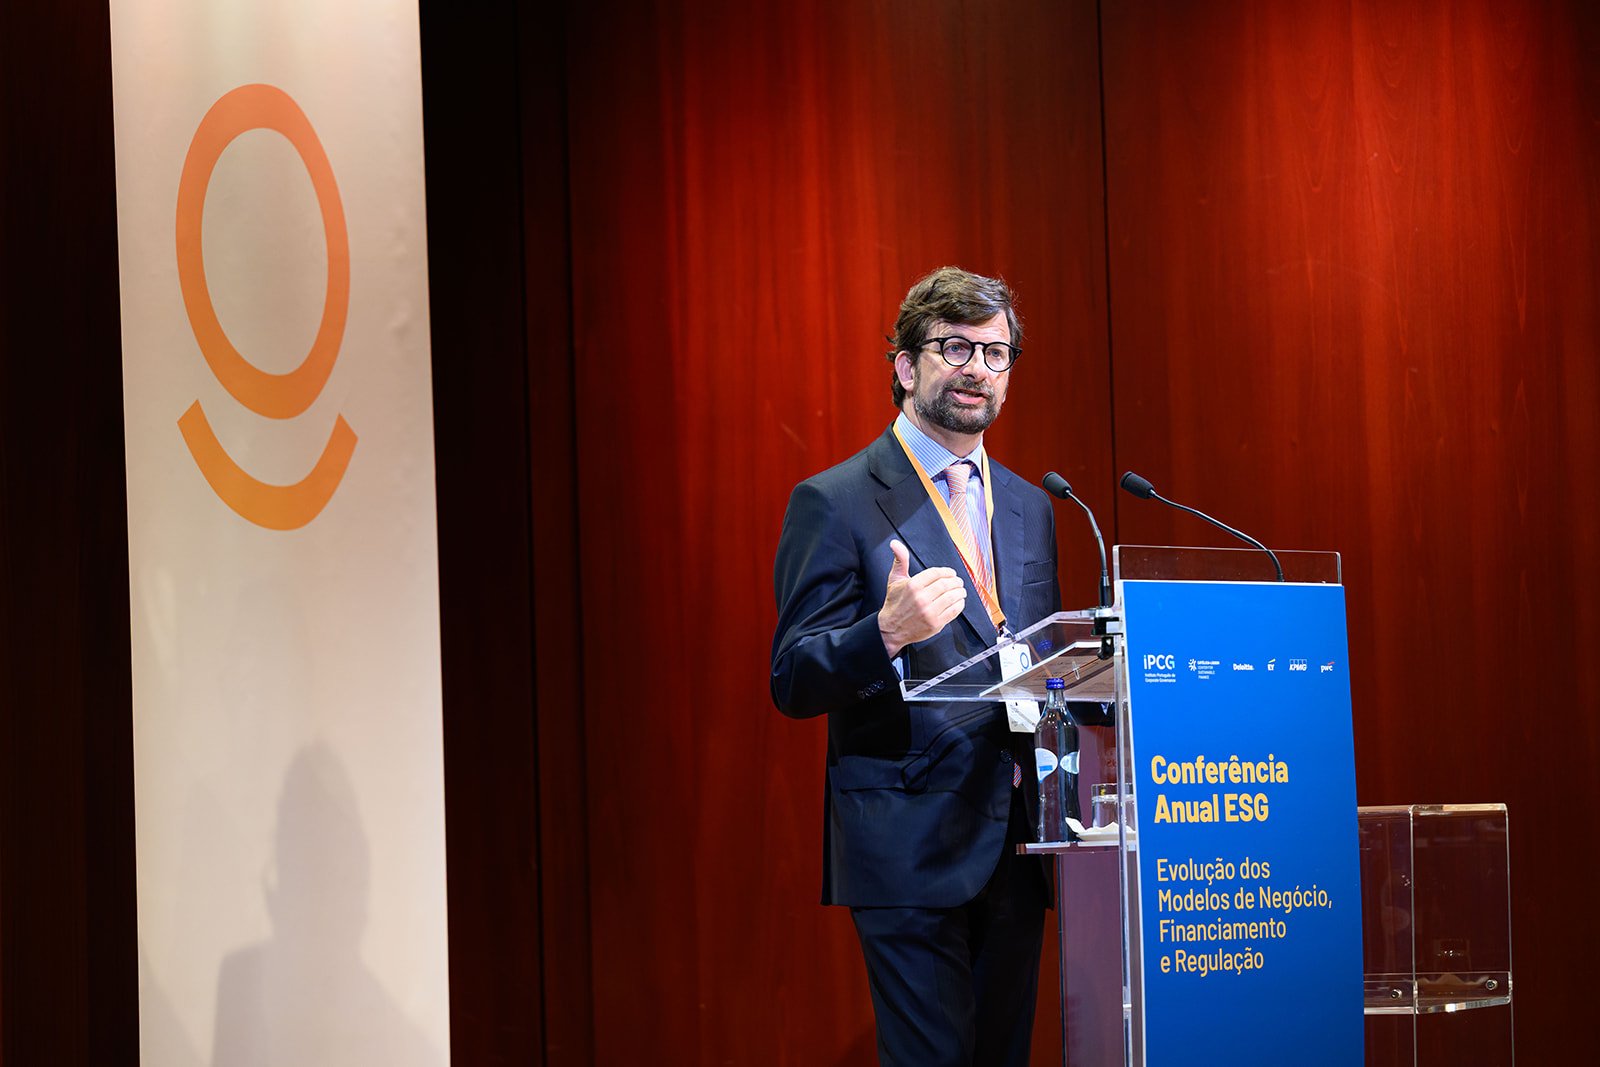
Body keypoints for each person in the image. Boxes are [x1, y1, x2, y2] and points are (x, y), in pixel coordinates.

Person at [771, 267, 1062, 1066]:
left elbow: (1038, 659)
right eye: (955, 348)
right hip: (909, 846)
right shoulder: (836, 500)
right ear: (906, 365)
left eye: (996, 353)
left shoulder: (1032, 505)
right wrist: (884, 633)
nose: (978, 369)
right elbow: (792, 676)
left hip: (1018, 843)